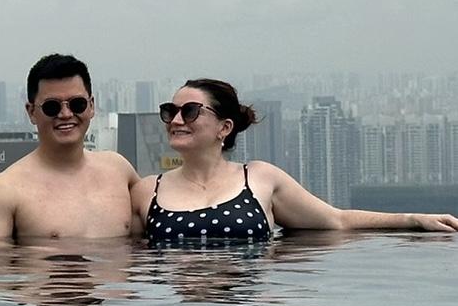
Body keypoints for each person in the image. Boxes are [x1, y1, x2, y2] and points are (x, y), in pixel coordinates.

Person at [133, 78, 458, 243]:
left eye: (190, 111)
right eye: (169, 111)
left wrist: (411, 219)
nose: (176, 120)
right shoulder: (148, 190)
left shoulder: (259, 178)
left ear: (224, 127)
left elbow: (335, 219)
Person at [0, 53, 139, 242]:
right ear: (31, 112)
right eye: (52, 107)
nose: (66, 114)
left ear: (91, 106)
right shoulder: (3, 192)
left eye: (77, 104)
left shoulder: (119, 172)